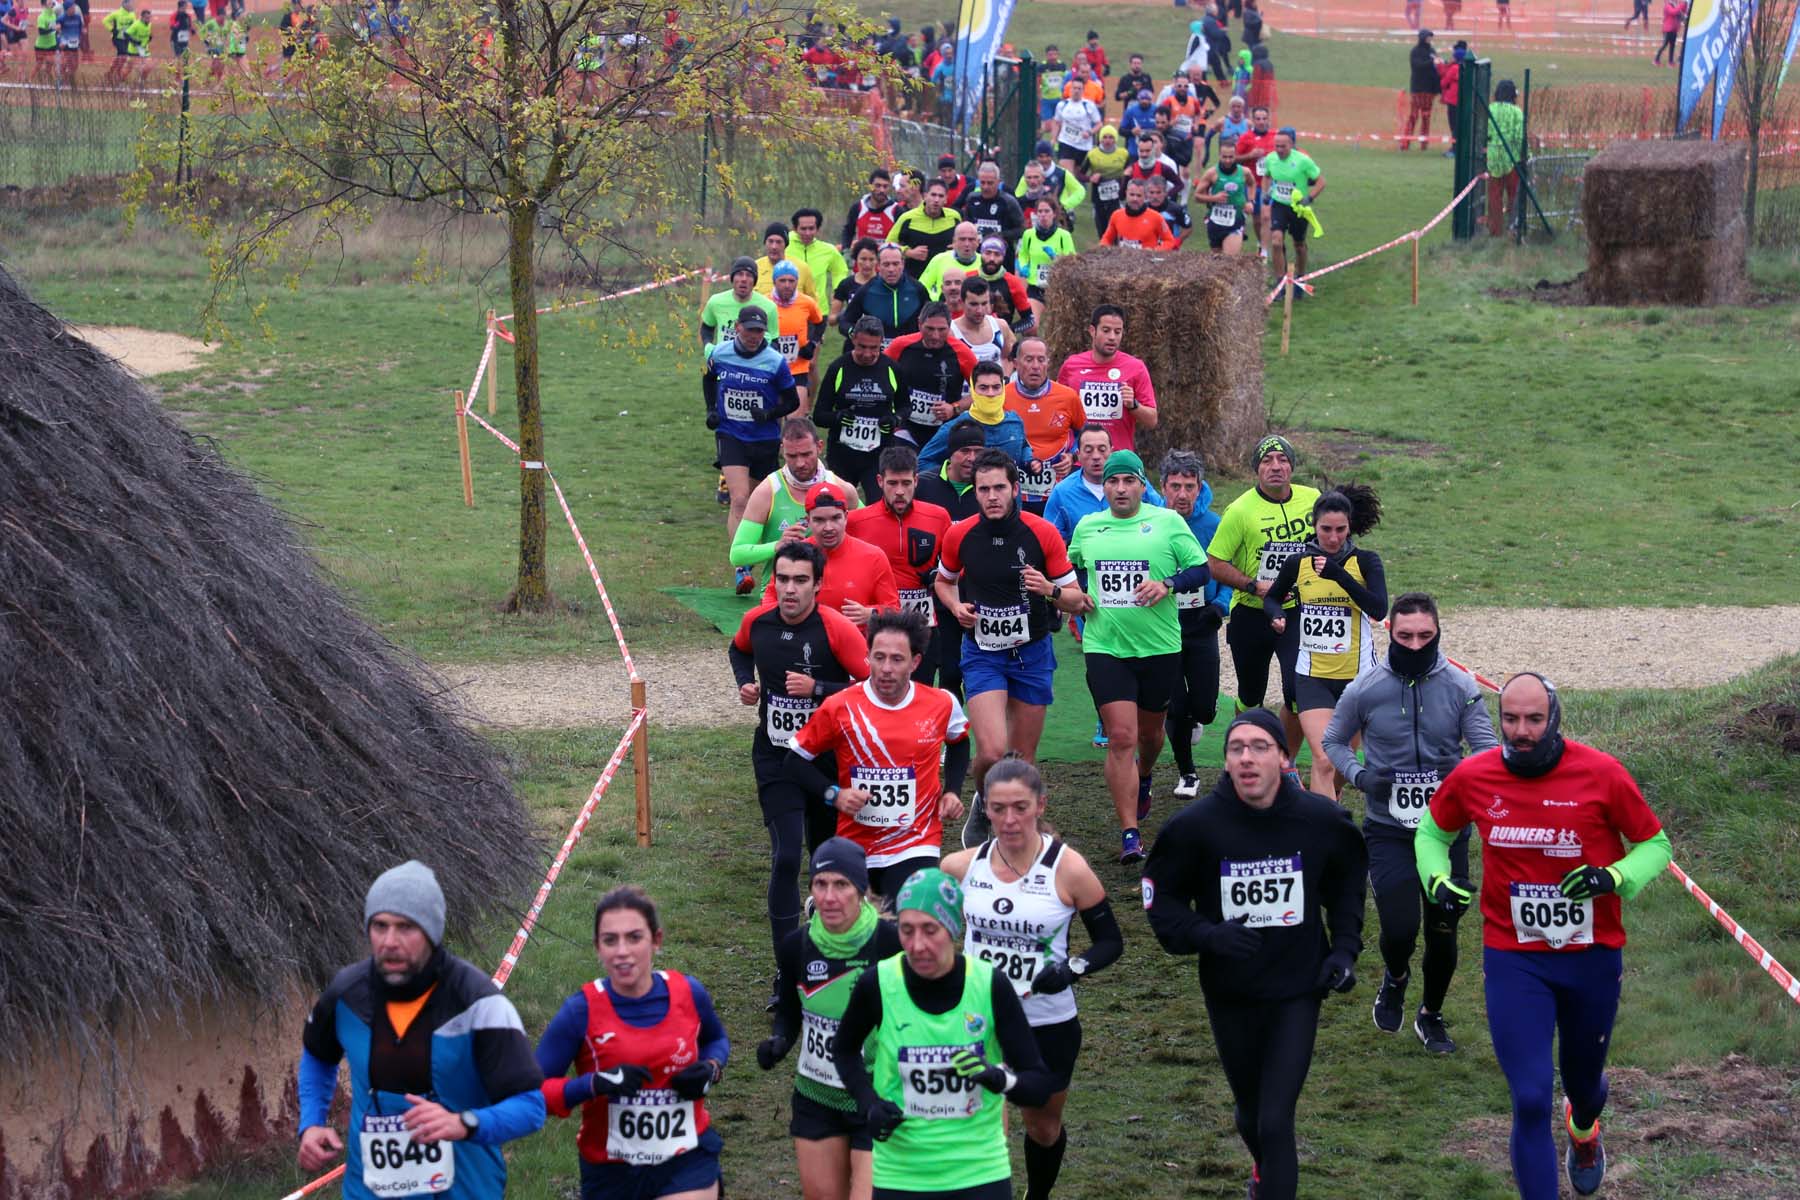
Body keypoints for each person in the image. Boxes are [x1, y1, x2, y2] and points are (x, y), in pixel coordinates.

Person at [1417, 673, 1673, 1200]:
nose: (1521, 731)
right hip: (1515, 957)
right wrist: (1436, 879)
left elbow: (1655, 844)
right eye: (1510, 719)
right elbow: (1432, 832)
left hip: (1592, 954)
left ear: (1553, 717)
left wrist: (1614, 877)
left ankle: (1584, 1131)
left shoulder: (1600, 773)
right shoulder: (1475, 775)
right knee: (1531, 1098)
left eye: (1534, 719)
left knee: (1584, 1086)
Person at [1144, 708, 1368, 1200]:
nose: (1247, 758)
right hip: (1231, 990)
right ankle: (1265, 1175)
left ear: (1285, 758)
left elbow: (1348, 883)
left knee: (1274, 1121)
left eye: (1260, 747)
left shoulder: (1320, 820)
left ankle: (1270, 1180)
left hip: (1297, 987)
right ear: (1224, 762)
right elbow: (1162, 901)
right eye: (1236, 748)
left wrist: (1345, 950)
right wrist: (1207, 935)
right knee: (1249, 1111)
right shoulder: (1195, 827)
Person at [297, 862, 547, 1198]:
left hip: (465, 1189)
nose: (390, 941)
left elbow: (531, 1108)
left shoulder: (479, 1004)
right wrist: (311, 1122)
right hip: (368, 1189)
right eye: (380, 926)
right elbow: (317, 1056)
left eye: (406, 927)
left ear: (432, 932)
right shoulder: (346, 994)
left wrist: (463, 1123)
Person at [940, 755, 1123, 1200]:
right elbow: (922, 934)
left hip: (1047, 1022)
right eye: (997, 809)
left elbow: (1110, 942)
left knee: (1042, 1128)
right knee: (982, 1127)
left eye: (1019, 807)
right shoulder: (960, 867)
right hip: (976, 1019)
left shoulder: (1069, 868)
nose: (1008, 819)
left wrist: (1071, 970)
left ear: (1041, 805)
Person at [1322, 592, 1494, 1054]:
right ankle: (1396, 977)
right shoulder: (1365, 687)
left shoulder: (1460, 685)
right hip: (1389, 830)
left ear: (1438, 633)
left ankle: (1431, 1015)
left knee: (1444, 930)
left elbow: (1486, 749)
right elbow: (1333, 740)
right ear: (1389, 633)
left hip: (1446, 833)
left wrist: (1461, 782)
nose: (1415, 645)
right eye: (1405, 636)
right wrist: (1361, 776)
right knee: (1399, 929)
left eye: (1425, 636)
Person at [831, 868, 1053, 1200]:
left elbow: (1038, 1084)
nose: (917, 945)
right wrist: (869, 1106)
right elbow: (844, 1050)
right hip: (901, 1175)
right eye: (906, 930)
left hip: (979, 1171)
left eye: (930, 930)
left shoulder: (989, 985)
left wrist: (999, 1080)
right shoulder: (878, 983)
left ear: (952, 928)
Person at [537, 886, 730, 1200]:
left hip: (686, 1161)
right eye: (610, 940)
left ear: (656, 940)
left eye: (634, 937)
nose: (622, 951)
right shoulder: (580, 1011)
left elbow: (716, 1039)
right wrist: (593, 1084)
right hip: (611, 1174)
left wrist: (710, 1067)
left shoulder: (689, 993)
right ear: (597, 948)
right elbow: (533, 1091)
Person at [731, 539, 872, 964]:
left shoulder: (835, 628)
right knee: (787, 854)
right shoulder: (757, 622)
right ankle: (786, 966)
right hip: (776, 757)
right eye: (783, 579)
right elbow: (739, 649)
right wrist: (746, 682)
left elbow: (872, 688)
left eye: (800, 581)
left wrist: (820, 689)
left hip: (826, 763)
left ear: (818, 585)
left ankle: (829, 952)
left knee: (826, 859)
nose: (790, 589)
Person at [1066, 450, 1209, 863]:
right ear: (1104, 487)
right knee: (1122, 737)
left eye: (1129, 480)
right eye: (1113, 481)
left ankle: (1144, 775)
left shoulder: (1167, 522)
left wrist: (1167, 583)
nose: (1121, 488)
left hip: (1160, 647)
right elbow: (1072, 567)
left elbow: (1200, 570)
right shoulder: (1089, 528)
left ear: (1142, 485)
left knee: (1150, 736)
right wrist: (1080, 594)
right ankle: (1130, 833)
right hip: (1105, 646)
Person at [933, 450, 1082, 844]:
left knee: (1021, 759)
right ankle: (984, 802)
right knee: (992, 751)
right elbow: (943, 581)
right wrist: (954, 605)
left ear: (1016, 489)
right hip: (983, 651)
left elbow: (1076, 599)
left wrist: (1048, 589)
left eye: (1000, 487)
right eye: (984, 489)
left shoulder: (1041, 533)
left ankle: (1011, 830)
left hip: (1031, 653)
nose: (992, 496)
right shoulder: (960, 533)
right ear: (975, 493)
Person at [785, 609, 971, 901]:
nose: (886, 668)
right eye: (879, 657)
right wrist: (834, 794)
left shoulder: (941, 704)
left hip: (917, 841)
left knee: (905, 924)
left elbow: (959, 742)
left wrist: (952, 791)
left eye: (897, 659)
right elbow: (794, 762)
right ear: (867, 657)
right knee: (860, 935)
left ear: (915, 662)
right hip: (857, 843)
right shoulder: (840, 707)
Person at [758, 840, 902, 1200]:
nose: (830, 897)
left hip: (876, 1095)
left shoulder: (891, 944)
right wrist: (779, 1042)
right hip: (816, 1097)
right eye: (820, 884)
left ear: (861, 890)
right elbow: (791, 1013)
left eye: (841, 885)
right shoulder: (796, 946)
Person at [1262, 485, 1388, 797]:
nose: (1333, 538)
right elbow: (1273, 598)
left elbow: (1378, 608)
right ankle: (1322, 832)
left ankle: (1324, 805)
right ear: (1314, 526)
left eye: (1340, 530)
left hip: (1358, 678)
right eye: (1326, 530)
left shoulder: (1366, 562)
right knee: (1324, 758)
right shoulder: (1298, 562)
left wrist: (1339, 576)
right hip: (1312, 676)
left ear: (1350, 527)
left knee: (1342, 761)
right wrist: (1276, 614)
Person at [1205, 434, 1319, 757]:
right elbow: (1214, 563)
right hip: (1252, 614)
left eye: (1283, 460)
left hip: (1297, 611)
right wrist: (1254, 586)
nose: (1276, 467)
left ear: (1292, 467)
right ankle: (1243, 756)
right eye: (1267, 461)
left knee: (1296, 693)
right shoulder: (1239, 510)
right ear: (1257, 469)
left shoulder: (1313, 499)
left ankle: (1285, 764)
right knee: (1251, 695)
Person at [705, 305, 800, 585]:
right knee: (739, 499)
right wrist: (711, 409)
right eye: (750, 330)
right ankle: (741, 569)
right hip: (731, 434)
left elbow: (792, 401)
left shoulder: (775, 361)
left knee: (759, 506)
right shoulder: (720, 353)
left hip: (765, 438)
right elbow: (708, 379)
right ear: (738, 328)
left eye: (760, 331)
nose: (754, 336)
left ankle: (767, 562)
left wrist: (769, 414)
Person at [1158, 450, 1231, 799]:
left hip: (1202, 622)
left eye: (1189, 486)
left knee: (1203, 707)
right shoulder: (1151, 521)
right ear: (1163, 487)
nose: (1182, 494)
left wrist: (1220, 605)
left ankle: (1197, 717)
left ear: (1200, 487)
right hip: (1162, 625)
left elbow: (1229, 568)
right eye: (1175, 486)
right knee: (1176, 706)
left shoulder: (1214, 525)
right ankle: (1187, 773)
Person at [847, 445, 954, 678]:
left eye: (906, 483)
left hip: (922, 626)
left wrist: (938, 574)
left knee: (920, 694)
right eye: (892, 483)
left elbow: (953, 565)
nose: (899, 491)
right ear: (879, 481)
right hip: (874, 626)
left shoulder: (938, 517)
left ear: (916, 481)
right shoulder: (855, 521)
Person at [729, 419, 862, 590]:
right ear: (782, 451)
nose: (800, 463)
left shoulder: (842, 490)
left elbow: (871, 537)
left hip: (829, 593)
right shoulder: (768, 491)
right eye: (792, 456)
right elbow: (737, 555)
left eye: (807, 454)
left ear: (819, 447)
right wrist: (777, 546)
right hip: (779, 597)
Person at [759, 482, 900, 626]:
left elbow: (894, 609)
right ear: (808, 521)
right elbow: (769, 600)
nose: (828, 527)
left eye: (835, 518)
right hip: (803, 642)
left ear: (846, 517)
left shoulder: (873, 556)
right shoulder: (793, 555)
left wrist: (871, 614)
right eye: (819, 520)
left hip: (856, 644)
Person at [814, 316, 900, 499]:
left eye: (874, 348)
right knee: (839, 505)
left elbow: (905, 407)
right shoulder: (838, 368)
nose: (867, 354)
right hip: (842, 454)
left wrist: (894, 419)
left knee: (878, 507)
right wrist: (838, 417)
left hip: (878, 454)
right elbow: (819, 415)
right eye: (862, 346)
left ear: (881, 344)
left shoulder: (892, 369)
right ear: (853, 340)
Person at [1055, 304, 1157, 453]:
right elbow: (1057, 411)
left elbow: (1152, 420)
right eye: (1106, 330)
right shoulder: (1071, 366)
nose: (1112, 337)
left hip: (1118, 460)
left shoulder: (1136, 368)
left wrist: (1133, 405)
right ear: (1092, 331)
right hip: (1079, 458)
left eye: (1118, 332)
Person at [1004, 337, 1083, 512]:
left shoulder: (1068, 397)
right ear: (1016, 363)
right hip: (1013, 493)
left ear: (1048, 363)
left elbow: (1084, 436)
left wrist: (1072, 457)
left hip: (1057, 494)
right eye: (1029, 359)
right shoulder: (1002, 396)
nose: (1035, 366)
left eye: (1041, 359)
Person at [916, 362, 1033, 476]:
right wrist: (952, 478)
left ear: (1003, 388)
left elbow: (1023, 446)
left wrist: (1030, 463)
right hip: (970, 495)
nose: (990, 393)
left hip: (1010, 495)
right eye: (983, 388)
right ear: (973, 391)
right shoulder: (955, 428)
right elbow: (923, 462)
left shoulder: (1015, 421)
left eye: (996, 387)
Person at [884, 302, 974, 449]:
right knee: (902, 465)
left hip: (944, 430)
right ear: (919, 324)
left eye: (942, 330)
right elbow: (878, 371)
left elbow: (982, 392)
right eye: (930, 329)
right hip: (906, 427)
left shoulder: (961, 352)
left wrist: (954, 408)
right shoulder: (901, 345)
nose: (935, 336)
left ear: (950, 327)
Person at [1264, 128, 1324, 294]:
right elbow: (1267, 175)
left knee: (1299, 245)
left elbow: (1321, 181)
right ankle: (1280, 282)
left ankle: (1300, 277)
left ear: (1291, 145)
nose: (1279, 150)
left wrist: (1309, 198)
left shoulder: (1303, 160)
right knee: (1276, 241)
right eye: (1276, 146)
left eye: (1283, 146)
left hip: (1298, 208)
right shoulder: (1270, 159)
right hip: (1279, 205)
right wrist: (1266, 193)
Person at [840, 244, 928, 347]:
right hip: (877, 353)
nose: (891, 269)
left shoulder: (917, 289)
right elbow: (845, 322)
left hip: (910, 351)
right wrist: (854, 333)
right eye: (886, 264)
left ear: (903, 264)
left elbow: (931, 318)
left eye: (895, 264)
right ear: (878, 266)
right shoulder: (866, 291)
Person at [771, 261, 826, 409]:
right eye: (782, 280)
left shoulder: (807, 302)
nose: (787, 285)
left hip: (798, 368)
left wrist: (812, 343)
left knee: (796, 421)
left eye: (791, 280)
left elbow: (820, 322)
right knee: (773, 422)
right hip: (770, 368)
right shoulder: (764, 302)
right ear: (774, 281)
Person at [699, 256, 779, 354]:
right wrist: (708, 348)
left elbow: (775, 341)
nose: (744, 279)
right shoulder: (716, 301)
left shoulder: (769, 307)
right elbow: (707, 328)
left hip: (752, 365)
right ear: (732, 278)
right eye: (740, 274)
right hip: (724, 363)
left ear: (754, 281)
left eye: (749, 275)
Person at [887, 180, 961, 279]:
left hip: (945, 279)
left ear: (946, 199)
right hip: (914, 278)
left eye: (941, 196)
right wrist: (909, 252)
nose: (936, 200)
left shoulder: (954, 217)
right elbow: (888, 245)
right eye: (933, 195)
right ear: (925, 196)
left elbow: (965, 241)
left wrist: (959, 246)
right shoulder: (907, 218)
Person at [959, 162, 1026, 265]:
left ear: (998, 182)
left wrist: (1000, 235)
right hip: (976, 259)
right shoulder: (972, 199)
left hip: (1003, 260)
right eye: (982, 182)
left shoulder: (1008, 202)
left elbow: (1021, 230)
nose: (985, 187)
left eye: (990, 183)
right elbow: (966, 226)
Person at [1235, 105, 1278, 258]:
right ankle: (1261, 242)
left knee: (1268, 217)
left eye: (1264, 119)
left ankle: (1266, 250)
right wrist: (1250, 155)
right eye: (1258, 119)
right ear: (1253, 120)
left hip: (1272, 184)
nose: (1261, 122)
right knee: (1258, 218)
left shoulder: (1275, 136)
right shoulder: (1246, 138)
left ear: (1268, 120)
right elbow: (1234, 158)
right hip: (1253, 183)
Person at [1196, 138, 1252, 255]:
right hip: (1215, 221)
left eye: (1231, 157)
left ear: (1235, 155)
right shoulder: (1212, 173)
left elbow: (1252, 184)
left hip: (1236, 220)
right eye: (1224, 157)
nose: (1227, 160)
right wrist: (1214, 198)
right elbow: (1197, 196)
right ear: (1219, 155)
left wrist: (1250, 201)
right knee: (1217, 261)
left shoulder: (1245, 172)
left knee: (1229, 260)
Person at [946, 278, 1015, 372]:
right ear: (961, 302)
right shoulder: (951, 333)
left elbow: (1008, 358)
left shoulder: (1000, 326)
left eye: (984, 303)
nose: (979, 310)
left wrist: (1005, 379)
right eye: (974, 304)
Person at [1487, 79, 1526, 238]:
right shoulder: (1517, 112)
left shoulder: (1490, 109)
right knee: (1513, 195)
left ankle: (1495, 230)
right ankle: (1512, 227)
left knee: (1495, 196)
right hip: (1512, 158)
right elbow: (1519, 137)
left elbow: (1486, 132)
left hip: (1493, 157)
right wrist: (1525, 156)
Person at [791, 207, 849, 315]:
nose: (807, 233)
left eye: (811, 228)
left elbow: (840, 270)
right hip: (790, 308)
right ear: (795, 228)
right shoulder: (784, 244)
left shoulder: (828, 250)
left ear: (818, 229)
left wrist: (837, 290)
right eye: (803, 229)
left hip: (818, 311)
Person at [1081, 125, 1132, 237]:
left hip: (1117, 196)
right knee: (1102, 229)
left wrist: (1127, 175)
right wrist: (1090, 178)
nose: (1107, 140)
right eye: (1105, 137)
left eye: (1111, 137)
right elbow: (1080, 174)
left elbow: (1130, 170)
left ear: (1115, 139)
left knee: (1116, 227)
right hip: (1098, 196)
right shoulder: (1092, 154)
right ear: (1100, 139)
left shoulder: (1123, 154)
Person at [919, 221, 982, 301]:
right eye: (962, 239)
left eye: (971, 239)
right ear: (954, 242)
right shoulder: (939, 260)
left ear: (978, 242)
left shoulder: (984, 263)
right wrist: (939, 299)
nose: (967, 244)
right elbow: (922, 287)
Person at [1049, 80, 1103, 175]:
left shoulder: (1088, 105)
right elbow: (1056, 122)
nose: (1076, 91)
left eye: (1079, 88)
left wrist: (1090, 132)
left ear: (1083, 91)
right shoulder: (1062, 105)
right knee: (1068, 174)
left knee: (1077, 176)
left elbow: (1099, 124)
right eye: (1074, 88)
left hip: (1083, 145)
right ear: (1070, 89)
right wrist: (1053, 139)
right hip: (1066, 142)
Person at [756, 223, 818, 300]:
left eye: (779, 242)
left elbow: (813, 301)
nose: (774, 246)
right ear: (765, 243)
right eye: (770, 241)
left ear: (786, 245)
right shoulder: (755, 268)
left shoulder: (802, 268)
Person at [831, 239, 879, 336]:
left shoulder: (884, 283)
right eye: (863, 259)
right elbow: (831, 320)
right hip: (853, 338)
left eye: (871, 259)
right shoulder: (846, 284)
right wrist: (843, 315)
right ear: (856, 259)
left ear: (877, 260)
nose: (867, 264)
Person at [1404, 31, 1442, 152]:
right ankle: (1405, 142)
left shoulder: (1432, 51)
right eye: (1428, 38)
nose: (1429, 40)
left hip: (1429, 89)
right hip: (1418, 88)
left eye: (1430, 38)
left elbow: (1436, 69)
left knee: (1426, 117)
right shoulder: (1415, 52)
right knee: (1413, 116)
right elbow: (1417, 66)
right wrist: (1432, 62)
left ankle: (1424, 144)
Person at [844, 169, 901, 245]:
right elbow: (848, 232)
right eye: (878, 186)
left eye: (885, 186)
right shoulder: (858, 207)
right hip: (863, 255)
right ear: (870, 186)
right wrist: (846, 251)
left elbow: (904, 238)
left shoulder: (897, 211)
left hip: (886, 255)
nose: (882, 190)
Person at [1142, 175, 1192, 247]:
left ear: (1165, 193)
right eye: (1151, 192)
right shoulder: (1142, 209)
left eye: (1158, 192)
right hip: (1147, 249)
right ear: (1146, 193)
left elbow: (1188, 228)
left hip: (1169, 251)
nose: (1155, 196)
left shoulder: (1176, 209)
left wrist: (1177, 241)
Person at [1438, 41, 1466, 158]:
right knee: (1461, 126)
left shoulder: (1454, 68)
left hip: (1453, 102)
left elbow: (1443, 83)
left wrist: (1440, 66)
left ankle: (1454, 149)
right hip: (1464, 101)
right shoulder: (1468, 69)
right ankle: (1460, 148)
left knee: (1454, 126)